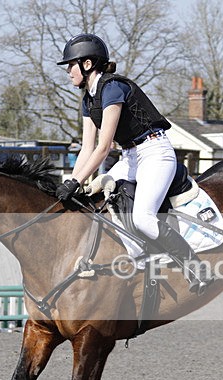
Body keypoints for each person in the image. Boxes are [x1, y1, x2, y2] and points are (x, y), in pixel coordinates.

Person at [55, 33, 211, 293]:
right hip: (131, 157)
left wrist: (76, 181)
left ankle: (195, 267)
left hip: (154, 152)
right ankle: (135, 254)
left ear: (87, 64)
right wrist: (73, 182)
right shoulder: (87, 99)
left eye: (71, 65)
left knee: (143, 218)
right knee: (96, 199)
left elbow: (103, 148)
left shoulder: (113, 88)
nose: (68, 71)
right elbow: (87, 148)